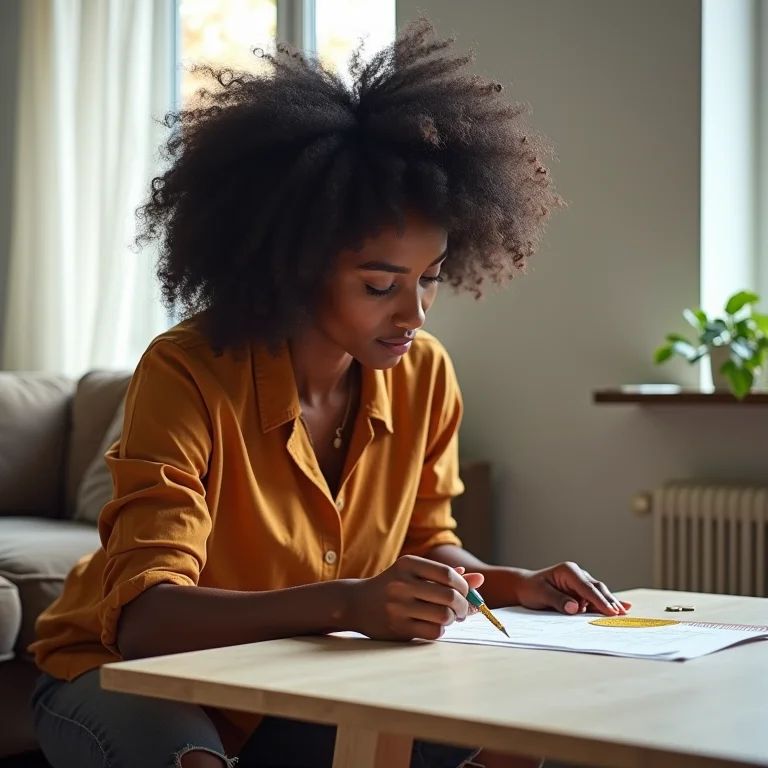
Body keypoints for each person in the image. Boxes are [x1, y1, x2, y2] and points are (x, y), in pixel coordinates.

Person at [29, 17, 631, 768]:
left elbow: (424, 542)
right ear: (293, 262)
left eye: (431, 277)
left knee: (518, 740)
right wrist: (349, 602)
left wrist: (510, 584)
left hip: (295, 676)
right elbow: (147, 619)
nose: (413, 313)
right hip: (130, 675)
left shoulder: (425, 374)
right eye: (381, 284)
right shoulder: (186, 372)